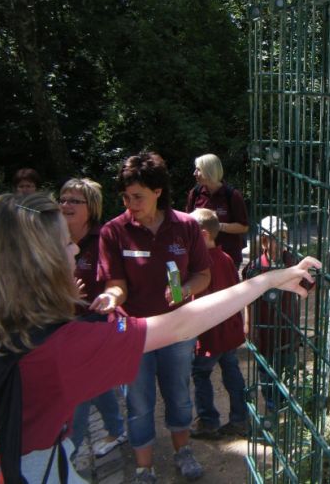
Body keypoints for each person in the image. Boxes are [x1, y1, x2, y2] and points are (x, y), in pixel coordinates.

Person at [0, 192, 320, 484]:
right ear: (39, 264)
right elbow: (180, 326)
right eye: (65, 243)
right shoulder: (60, 348)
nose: (74, 248)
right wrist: (266, 282)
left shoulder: (7, 327)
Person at [92, 152, 212, 483]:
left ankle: (182, 452)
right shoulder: (113, 231)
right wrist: (110, 297)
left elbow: (204, 275)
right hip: (133, 332)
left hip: (177, 329)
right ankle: (145, 469)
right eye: (126, 197)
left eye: (138, 197)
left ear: (158, 191)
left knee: (178, 393)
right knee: (139, 402)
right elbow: (116, 284)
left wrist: (184, 290)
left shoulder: (186, 226)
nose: (130, 204)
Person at [58, 178, 128, 460]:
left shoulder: (103, 240)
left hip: (95, 324)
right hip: (62, 323)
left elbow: (115, 283)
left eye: (74, 201)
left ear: (91, 207)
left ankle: (70, 452)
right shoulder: (54, 238)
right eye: (62, 199)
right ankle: (116, 428)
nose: (65, 205)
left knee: (79, 387)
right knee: (96, 384)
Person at [188, 209, 248, 440]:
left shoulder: (198, 266)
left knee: (200, 373)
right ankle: (240, 419)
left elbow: (184, 296)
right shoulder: (226, 259)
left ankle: (208, 421)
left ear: (202, 235)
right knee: (231, 370)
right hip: (229, 332)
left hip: (209, 335)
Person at [242, 216, 299, 413]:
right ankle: (272, 405)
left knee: (286, 368)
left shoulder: (292, 261)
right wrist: (248, 324)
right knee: (265, 371)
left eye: (284, 236)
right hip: (264, 329)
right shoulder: (255, 267)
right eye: (276, 237)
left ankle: (284, 405)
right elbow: (247, 298)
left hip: (286, 327)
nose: (282, 241)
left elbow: (309, 283)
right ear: (264, 241)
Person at [185, 153, 249, 268]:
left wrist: (216, 226)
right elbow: (188, 222)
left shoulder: (232, 195)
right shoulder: (195, 194)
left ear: (208, 171)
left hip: (228, 256)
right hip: (201, 255)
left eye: (198, 170)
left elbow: (243, 227)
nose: (194, 173)